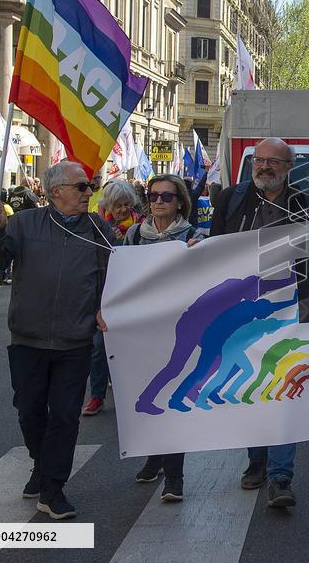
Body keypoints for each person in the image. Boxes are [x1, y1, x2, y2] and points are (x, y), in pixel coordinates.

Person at [0, 161, 115, 520]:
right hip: (28, 339)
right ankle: (41, 462)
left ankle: (53, 488)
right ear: (56, 192)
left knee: (66, 416)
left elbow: (118, 276)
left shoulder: (99, 230)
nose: (89, 193)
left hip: (75, 341)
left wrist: (105, 306)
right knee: (30, 410)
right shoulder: (23, 224)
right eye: (81, 187)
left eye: (89, 187)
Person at [210, 137, 309, 506]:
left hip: (288, 313)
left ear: (288, 168)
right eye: (258, 160)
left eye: (272, 162)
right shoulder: (230, 200)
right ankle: (256, 460)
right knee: (250, 386)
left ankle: (280, 476)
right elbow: (213, 251)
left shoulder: (304, 204)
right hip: (241, 311)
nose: (263, 167)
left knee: (284, 390)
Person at [125, 175, 197, 502]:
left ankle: (175, 477)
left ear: (179, 201)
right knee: (147, 396)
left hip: (179, 329)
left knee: (171, 399)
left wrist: (200, 256)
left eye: (167, 196)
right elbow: (121, 280)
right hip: (142, 331)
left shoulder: (194, 236)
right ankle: (155, 457)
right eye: (153, 195)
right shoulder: (133, 235)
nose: (158, 201)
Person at [81, 181, 145, 417]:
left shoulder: (139, 224)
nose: (122, 210)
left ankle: (128, 391)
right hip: (102, 292)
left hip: (130, 292)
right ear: (108, 204)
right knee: (98, 346)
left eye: (127, 205)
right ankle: (97, 395)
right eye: (118, 205)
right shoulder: (95, 224)